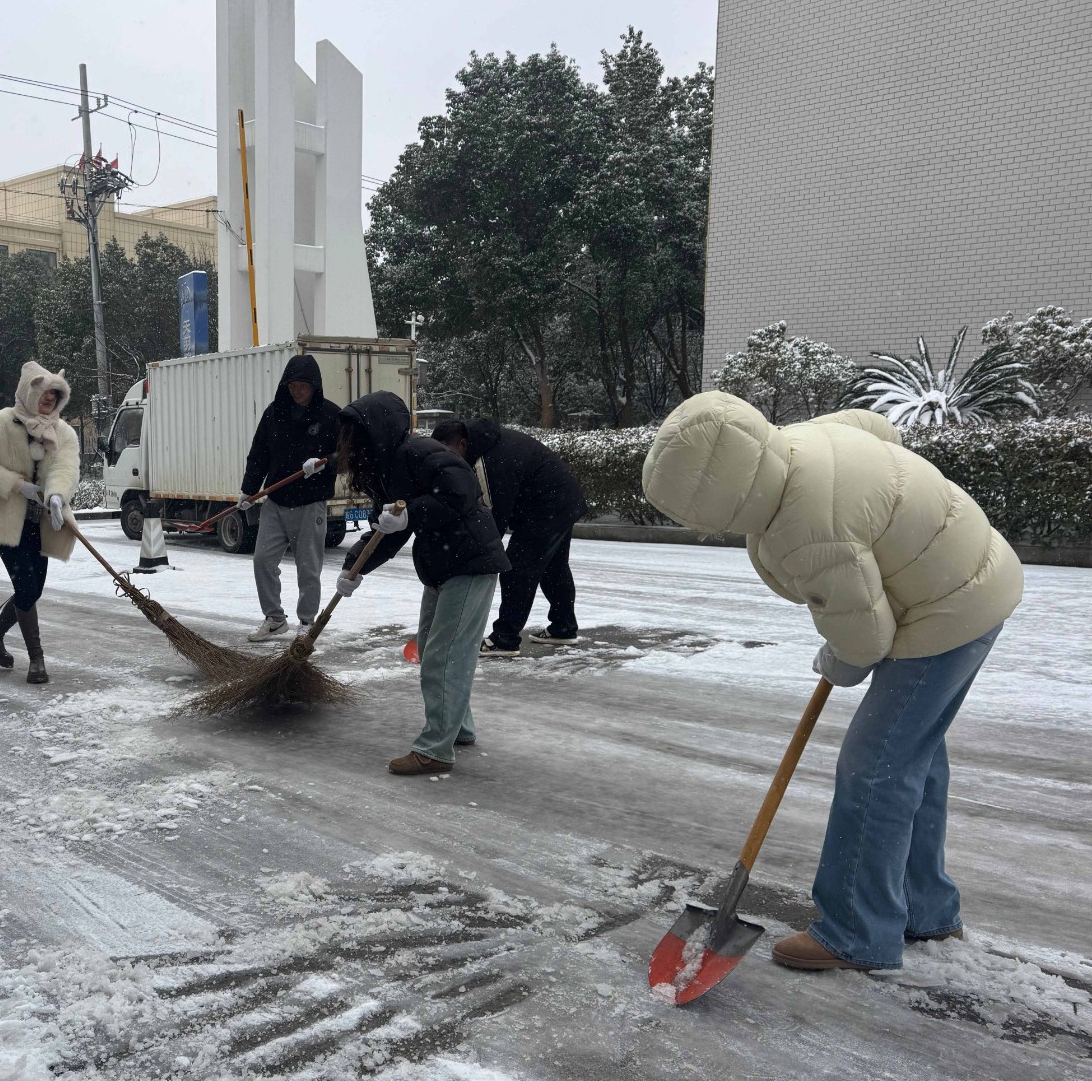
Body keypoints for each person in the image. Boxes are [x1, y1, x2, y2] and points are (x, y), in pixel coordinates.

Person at [641, 393, 1022, 973]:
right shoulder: (796, 442)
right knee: (910, 758)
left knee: (875, 768)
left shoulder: (804, 525)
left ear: (727, 500)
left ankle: (858, 931)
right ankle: (926, 908)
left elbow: (864, 639)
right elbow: (876, 429)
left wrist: (837, 660)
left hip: (945, 607)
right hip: (972, 573)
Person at [334, 391, 510, 775]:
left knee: (444, 656)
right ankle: (458, 727)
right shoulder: (385, 467)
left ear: (375, 430)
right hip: (444, 564)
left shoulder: (418, 451)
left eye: (354, 436)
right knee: (432, 649)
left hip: (468, 561)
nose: (349, 446)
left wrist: (410, 512)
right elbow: (389, 530)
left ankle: (435, 750)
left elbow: (462, 489)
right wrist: (353, 568)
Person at [432, 419, 588, 657]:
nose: (445, 459)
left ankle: (505, 639)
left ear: (462, 443)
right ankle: (563, 627)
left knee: (517, 570)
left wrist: (476, 554)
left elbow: (494, 518)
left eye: (447, 451)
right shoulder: (487, 443)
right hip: (563, 501)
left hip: (547, 508)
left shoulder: (488, 461)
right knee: (554, 567)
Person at [0, 361, 80, 684]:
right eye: (45, 393)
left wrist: (56, 495)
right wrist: (18, 485)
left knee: (32, 589)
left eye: (55, 395)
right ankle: (37, 659)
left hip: (41, 524)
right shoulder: (2, 423)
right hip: (7, 523)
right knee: (27, 587)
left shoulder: (64, 432)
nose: (49, 398)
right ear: (29, 391)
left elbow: (65, 468)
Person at [237, 354, 342, 641]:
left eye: (303, 386)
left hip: (310, 503)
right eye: (293, 385)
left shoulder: (330, 415)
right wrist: (249, 489)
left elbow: (346, 455)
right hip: (275, 499)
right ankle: (274, 618)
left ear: (315, 386)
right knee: (262, 560)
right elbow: (259, 454)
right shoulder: (275, 412)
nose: (297, 391)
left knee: (308, 568)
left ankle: (306, 622)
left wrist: (322, 463)